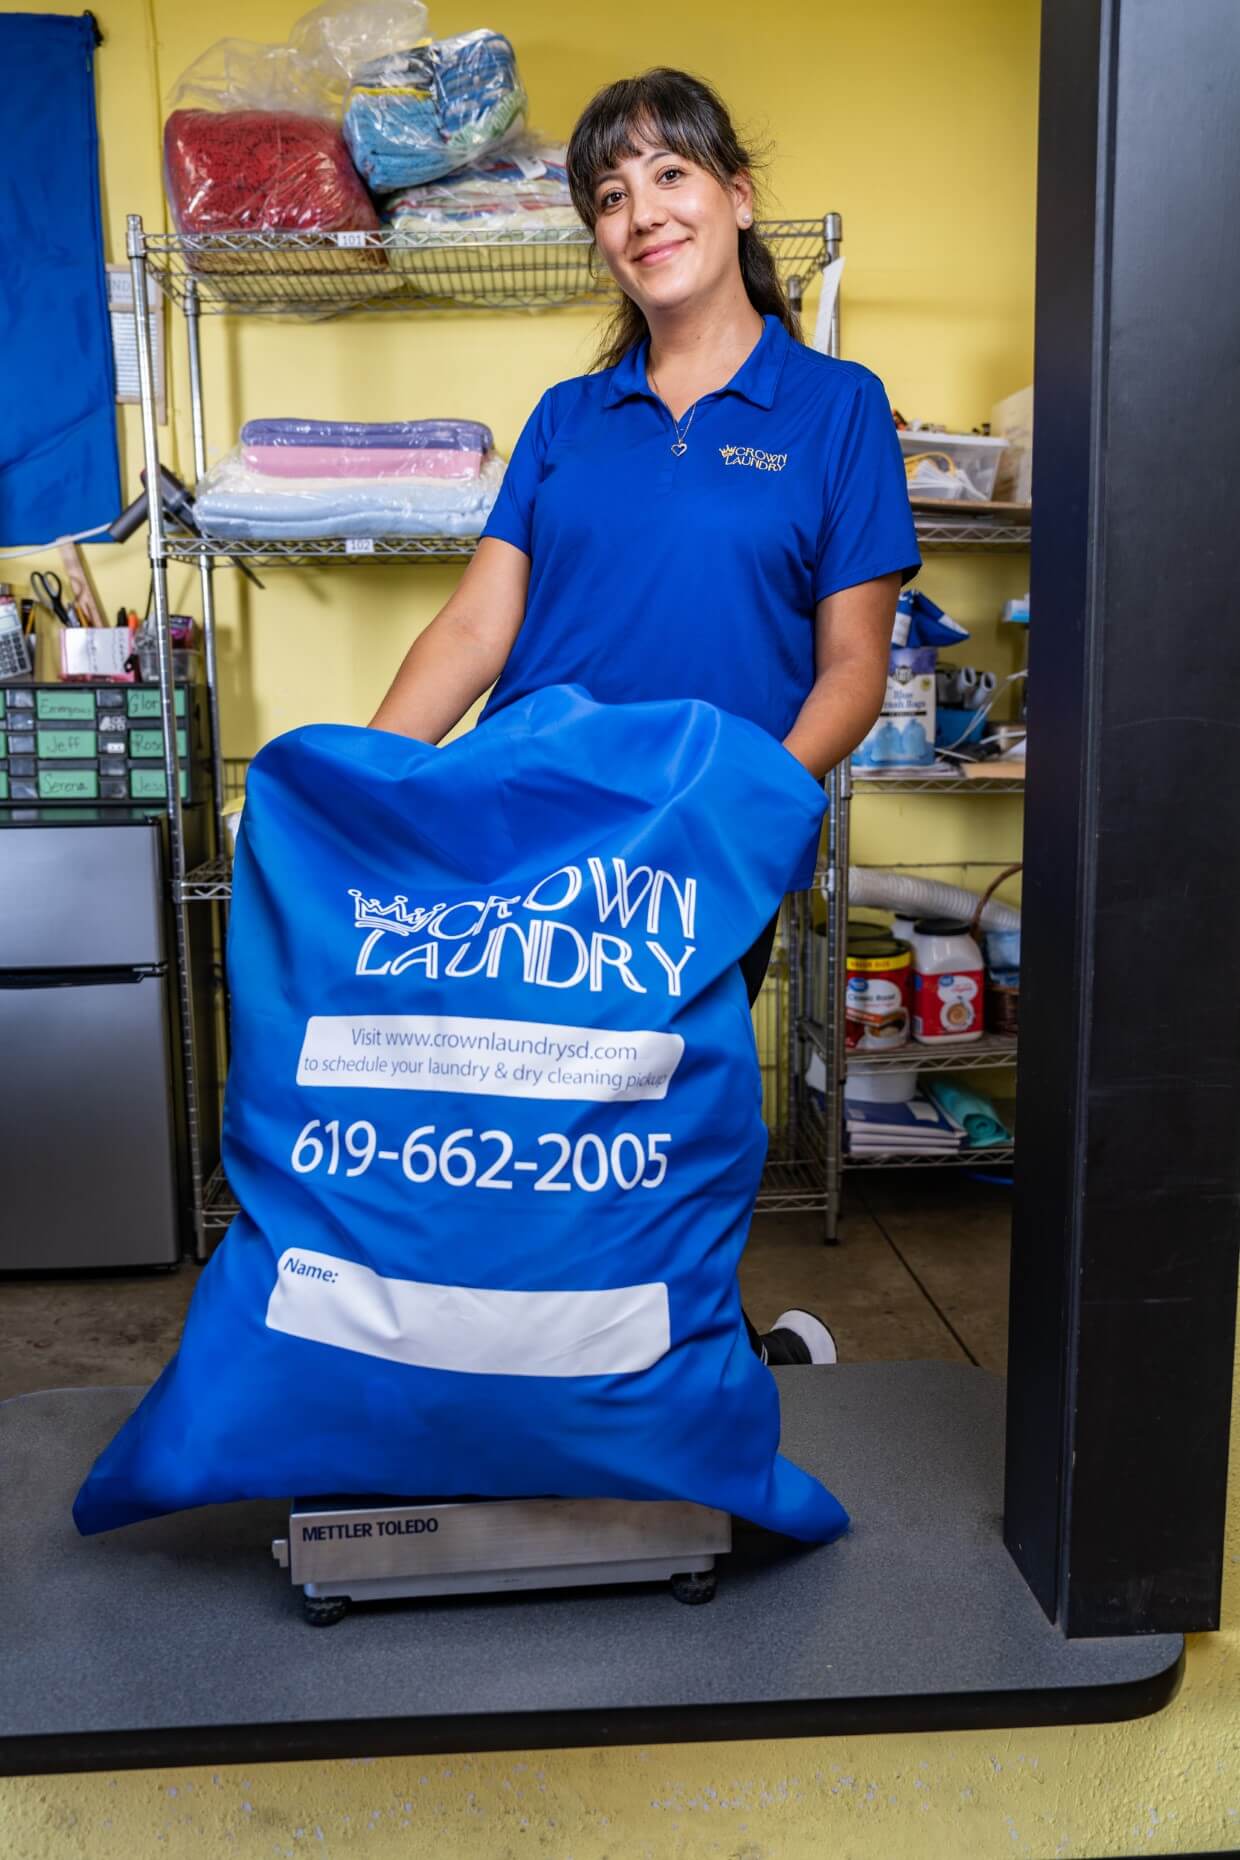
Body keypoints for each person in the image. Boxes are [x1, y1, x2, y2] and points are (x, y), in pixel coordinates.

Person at [371, 67, 921, 1364]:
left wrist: (732, 810)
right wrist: (368, 790)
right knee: (514, 1133)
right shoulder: (568, 419)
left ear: (736, 196)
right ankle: (525, 1380)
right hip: (527, 832)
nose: (641, 214)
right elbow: (472, 630)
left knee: (657, 1126)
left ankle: (677, 1375)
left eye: (669, 175)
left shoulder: (835, 411)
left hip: (699, 850)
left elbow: (852, 664)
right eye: (609, 196)